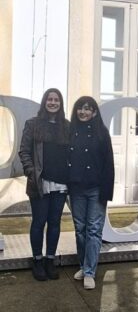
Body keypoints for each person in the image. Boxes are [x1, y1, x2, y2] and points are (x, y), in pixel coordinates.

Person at [19, 88, 70, 281]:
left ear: (60, 103)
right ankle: (37, 260)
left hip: (61, 183)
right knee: (39, 222)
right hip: (40, 183)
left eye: (56, 99)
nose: (53, 102)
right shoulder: (32, 124)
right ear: (44, 102)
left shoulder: (66, 125)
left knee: (55, 223)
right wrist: (31, 173)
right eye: (50, 99)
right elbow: (24, 151)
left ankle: (50, 259)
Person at [68, 96, 115, 290]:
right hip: (76, 188)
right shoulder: (70, 132)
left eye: (88, 108)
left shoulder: (102, 133)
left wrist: (107, 193)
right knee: (80, 230)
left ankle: (89, 272)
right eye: (80, 108)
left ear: (94, 112)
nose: (83, 112)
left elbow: (109, 165)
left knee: (94, 230)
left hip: (96, 189)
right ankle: (83, 265)